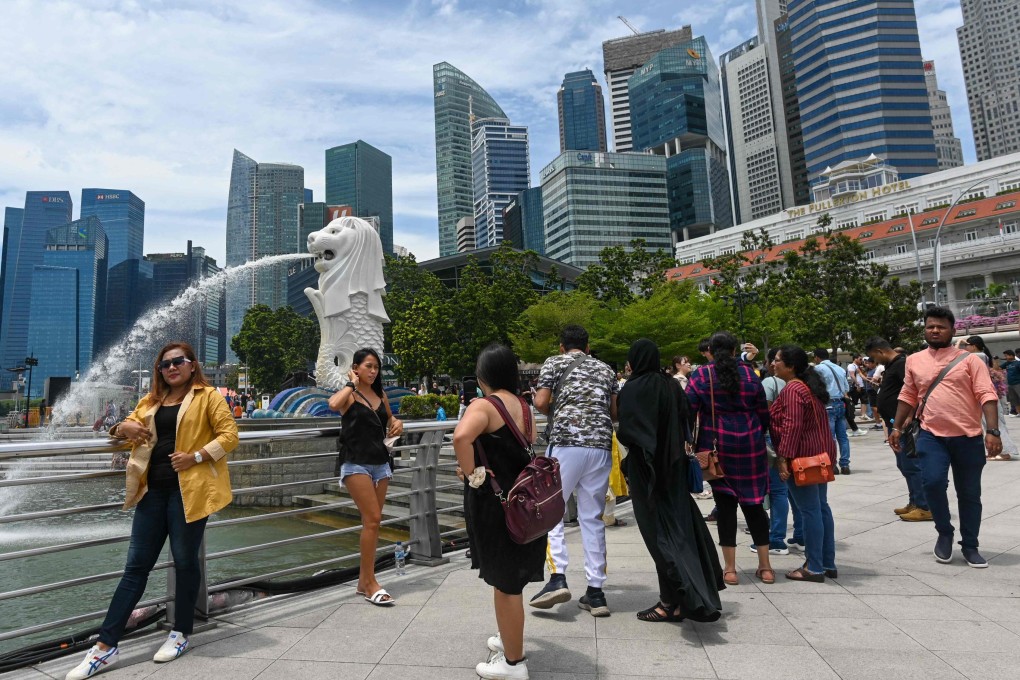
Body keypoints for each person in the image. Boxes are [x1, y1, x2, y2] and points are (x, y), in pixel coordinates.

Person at [65, 343, 238, 680]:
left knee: (186, 562)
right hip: (151, 493)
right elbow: (125, 426)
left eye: (178, 361)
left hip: (189, 492)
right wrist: (120, 429)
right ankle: (105, 647)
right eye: (164, 364)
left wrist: (196, 457)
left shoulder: (208, 396)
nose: (171, 367)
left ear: (191, 366)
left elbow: (229, 435)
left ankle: (181, 632)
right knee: (135, 568)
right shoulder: (151, 401)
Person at [454, 343, 545, 680]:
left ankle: (513, 663)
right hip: (524, 504)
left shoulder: (484, 404)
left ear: (484, 376)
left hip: (498, 505)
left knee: (506, 584)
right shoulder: (523, 405)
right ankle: (508, 640)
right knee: (509, 581)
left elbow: (461, 436)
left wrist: (470, 473)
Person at [618, 339, 724, 623]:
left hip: (646, 471)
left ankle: (671, 602)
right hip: (674, 467)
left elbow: (628, 432)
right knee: (677, 531)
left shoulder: (633, 388)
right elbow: (685, 421)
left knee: (657, 536)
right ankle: (684, 596)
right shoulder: (671, 385)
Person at [890, 307, 1001, 568]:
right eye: (930, 326)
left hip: (968, 436)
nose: (935, 330)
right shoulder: (914, 360)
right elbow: (907, 395)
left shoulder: (971, 360)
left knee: (970, 493)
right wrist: (896, 428)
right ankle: (944, 532)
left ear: (953, 330)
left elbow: (987, 394)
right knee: (932, 483)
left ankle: (971, 545)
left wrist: (993, 431)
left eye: (940, 326)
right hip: (930, 435)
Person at [531, 325, 618, 617]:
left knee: (552, 510)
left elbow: (541, 402)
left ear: (561, 347)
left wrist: (560, 408)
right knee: (592, 518)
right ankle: (596, 593)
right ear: (588, 347)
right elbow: (614, 411)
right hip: (600, 446)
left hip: (567, 443)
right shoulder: (606, 370)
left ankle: (557, 577)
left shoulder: (554, 363)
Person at [686, 331, 775, 586]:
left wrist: (688, 442)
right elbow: (762, 413)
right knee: (755, 505)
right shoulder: (750, 374)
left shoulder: (701, 375)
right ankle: (766, 567)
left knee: (725, 506)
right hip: (751, 445)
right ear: (736, 351)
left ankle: (730, 570)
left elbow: (688, 409)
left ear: (710, 351)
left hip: (717, 446)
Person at [327, 347, 404, 605]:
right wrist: (351, 383)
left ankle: (363, 582)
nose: (373, 371)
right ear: (356, 367)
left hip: (381, 464)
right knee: (373, 518)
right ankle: (371, 583)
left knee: (372, 523)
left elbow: (390, 421)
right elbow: (333, 405)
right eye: (368, 366)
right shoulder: (350, 395)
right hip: (355, 463)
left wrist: (397, 424)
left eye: (376, 367)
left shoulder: (380, 394)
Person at [769, 345, 838, 582]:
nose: (773, 364)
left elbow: (792, 426)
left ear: (790, 366)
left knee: (811, 511)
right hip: (819, 456)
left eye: (777, 360)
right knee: (820, 509)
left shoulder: (792, 389)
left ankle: (815, 566)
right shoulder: (808, 388)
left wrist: (782, 459)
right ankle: (827, 562)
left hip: (802, 459)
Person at [865, 337, 931, 522]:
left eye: (874, 357)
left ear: (879, 351)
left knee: (912, 465)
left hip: (904, 425)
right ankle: (915, 501)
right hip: (895, 423)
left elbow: (915, 391)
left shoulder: (901, 364)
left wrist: (909, 416)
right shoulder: (893, 365)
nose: (875, 361)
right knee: (904, 465)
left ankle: (924, 506)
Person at [754, 347, 803, 554]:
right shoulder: (791, 383)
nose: (773, 364)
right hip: (791, 442)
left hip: (774, 439)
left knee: (778, 491)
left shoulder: (770, 382)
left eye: (776, 360)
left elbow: (766, 414)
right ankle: (800, 535)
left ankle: (776, 539)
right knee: (793, 492)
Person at [811, 348, 855, 473]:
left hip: (828, 404)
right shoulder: (840, 369)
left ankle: (832, 464)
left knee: (830, 437)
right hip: (840, 403)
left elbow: (815, 387)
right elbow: (846, 387)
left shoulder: (818, 369)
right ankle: (845, 465)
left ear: (816, 357)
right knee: (843, 437)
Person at [1002, 349, 1020, 416]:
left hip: (1018, 383)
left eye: (1006, 356)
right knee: (1014, 400)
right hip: (1010, 384)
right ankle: (1018, 412)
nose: (1005, 357)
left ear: (1011, 355)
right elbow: (998, 368)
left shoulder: (1017, 363)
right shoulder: (1006, 364)